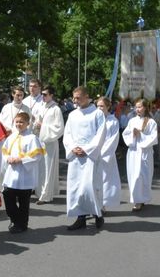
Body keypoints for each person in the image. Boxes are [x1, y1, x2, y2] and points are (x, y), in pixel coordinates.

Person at [63, 86, 106, 230]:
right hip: (76, 156)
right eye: (74, 98)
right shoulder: (72, 114)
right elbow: (67, 134)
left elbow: (100, 134)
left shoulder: (97, 114)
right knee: (76, 188)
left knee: (90, 187)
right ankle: (80, 218)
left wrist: (87, 149)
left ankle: (98, 215)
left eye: (78, 97)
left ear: (87, 97)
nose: (75, 100)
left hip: (90, 157)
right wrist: (72, 148)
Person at [2, 112, 44, 233]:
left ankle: (22, 224)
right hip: (12, 174)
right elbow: (4, 151)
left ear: (27, 123)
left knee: (23, 202)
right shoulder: (11, 137)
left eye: (21, 122)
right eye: (17, 122)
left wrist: (21, 159)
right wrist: (8, 158)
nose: (19, 124)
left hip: (25, 174)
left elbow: (37, 155)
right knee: (7, 195)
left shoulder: (32, 138)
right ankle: (15, 218)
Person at [122, 98, 158, 211]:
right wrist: (133, 135)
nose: (137, 109)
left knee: (143, 176)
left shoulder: (151, 122)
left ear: (145, 107)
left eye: (140, 107)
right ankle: (137, 199)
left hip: (144, 153)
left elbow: (154, 138)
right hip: (133, 151)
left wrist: (140, 135)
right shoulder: (132, 121)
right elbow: (126, 133)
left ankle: (142, 199)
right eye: (136, 107)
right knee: (134, 176)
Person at [34, 85, 64, 205]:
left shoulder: (56, 109)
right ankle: (39, 191)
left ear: (51, 95)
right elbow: (37, 121)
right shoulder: (42, 107)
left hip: (50, 142)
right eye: (42, 94)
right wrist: (35, 123)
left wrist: (43, 127)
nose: (43, 96)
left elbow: (59, 128)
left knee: (48, 169)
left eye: (45, 94)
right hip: (40, 141)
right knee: (40, 167)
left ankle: (45, 195)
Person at [96, 97, 121, 212]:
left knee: (105, 180)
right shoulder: (94, 120)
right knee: (94, 180)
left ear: (108, 107)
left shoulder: (113, 121)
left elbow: (113, 140)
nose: (99, 108)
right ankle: (94, 203)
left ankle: (103, 205)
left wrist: (101, 153)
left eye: (101, 106)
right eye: (98, 106)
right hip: (93, 154)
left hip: (106, 156)